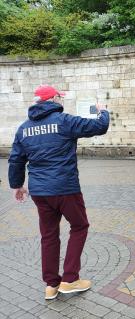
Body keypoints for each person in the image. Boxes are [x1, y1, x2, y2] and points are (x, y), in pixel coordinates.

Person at [8, 85, 110, 300]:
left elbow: (16, 159)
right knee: (80, 226)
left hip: (39, 191)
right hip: (65, 188)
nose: (61, 100)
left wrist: (17, 185)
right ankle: (70, 279)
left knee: (49, 235)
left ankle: (51, 285)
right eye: (59, 97)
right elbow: (100, 126)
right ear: (53, 99)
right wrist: (103, 110)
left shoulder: (24, 128)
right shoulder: (64, 121)